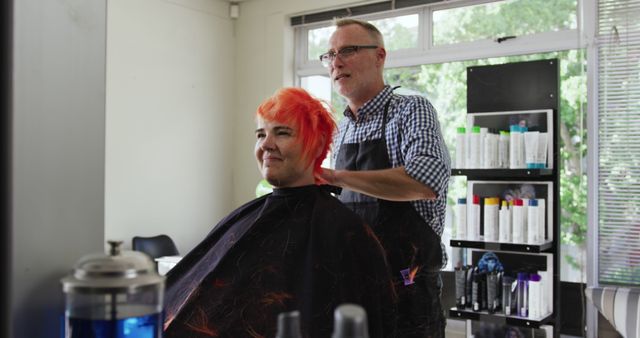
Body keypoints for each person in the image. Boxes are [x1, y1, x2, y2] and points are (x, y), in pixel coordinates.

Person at [162, 87, 396, 338]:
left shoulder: (345, 232)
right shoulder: (246, 216)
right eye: (260, 134)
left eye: (282, 133)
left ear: (317, 146)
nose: (266, 144)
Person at [319, 18, 451, 338]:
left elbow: (425, 181)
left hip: (408, 293)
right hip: (352, 287)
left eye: (348, 50)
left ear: (380, 56)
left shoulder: (410, 110)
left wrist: (337, 176)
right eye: (330, 55)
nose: (336, 62)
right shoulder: (341, 130)